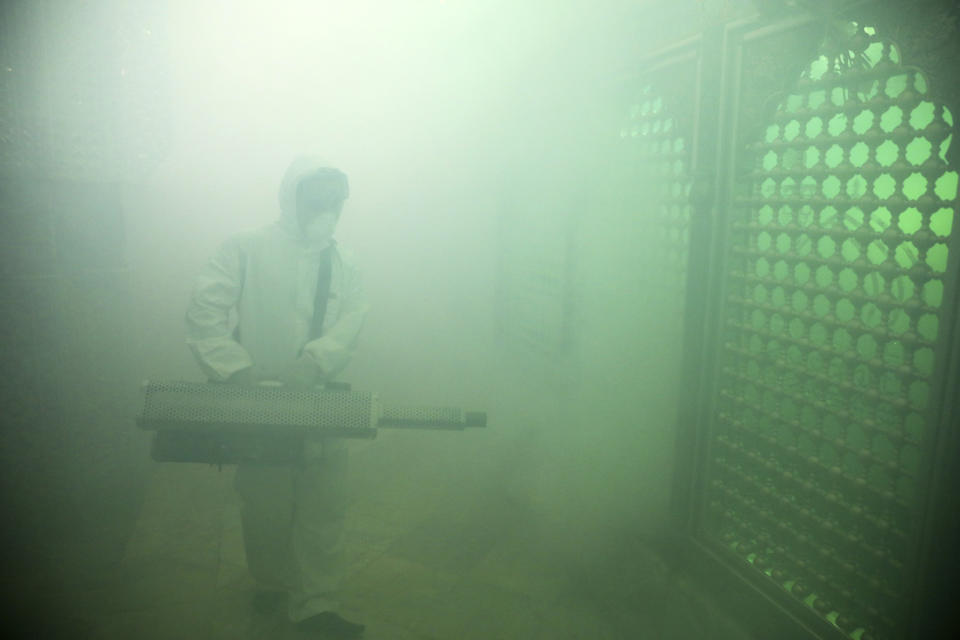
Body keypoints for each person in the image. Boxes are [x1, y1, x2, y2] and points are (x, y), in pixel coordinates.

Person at [185, 156, 368, 638]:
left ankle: (317, 605)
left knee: (324, 505)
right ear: (291, 197)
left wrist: (315, 362)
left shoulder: (346, 263)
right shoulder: (245, 248)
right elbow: (205, 311)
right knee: (264, 502)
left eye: (337, 200)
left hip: (321, 403)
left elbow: (352, 320)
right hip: (257, 404)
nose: (328, 208)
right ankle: (271, 583)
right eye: (318, 198)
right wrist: (234, 370)